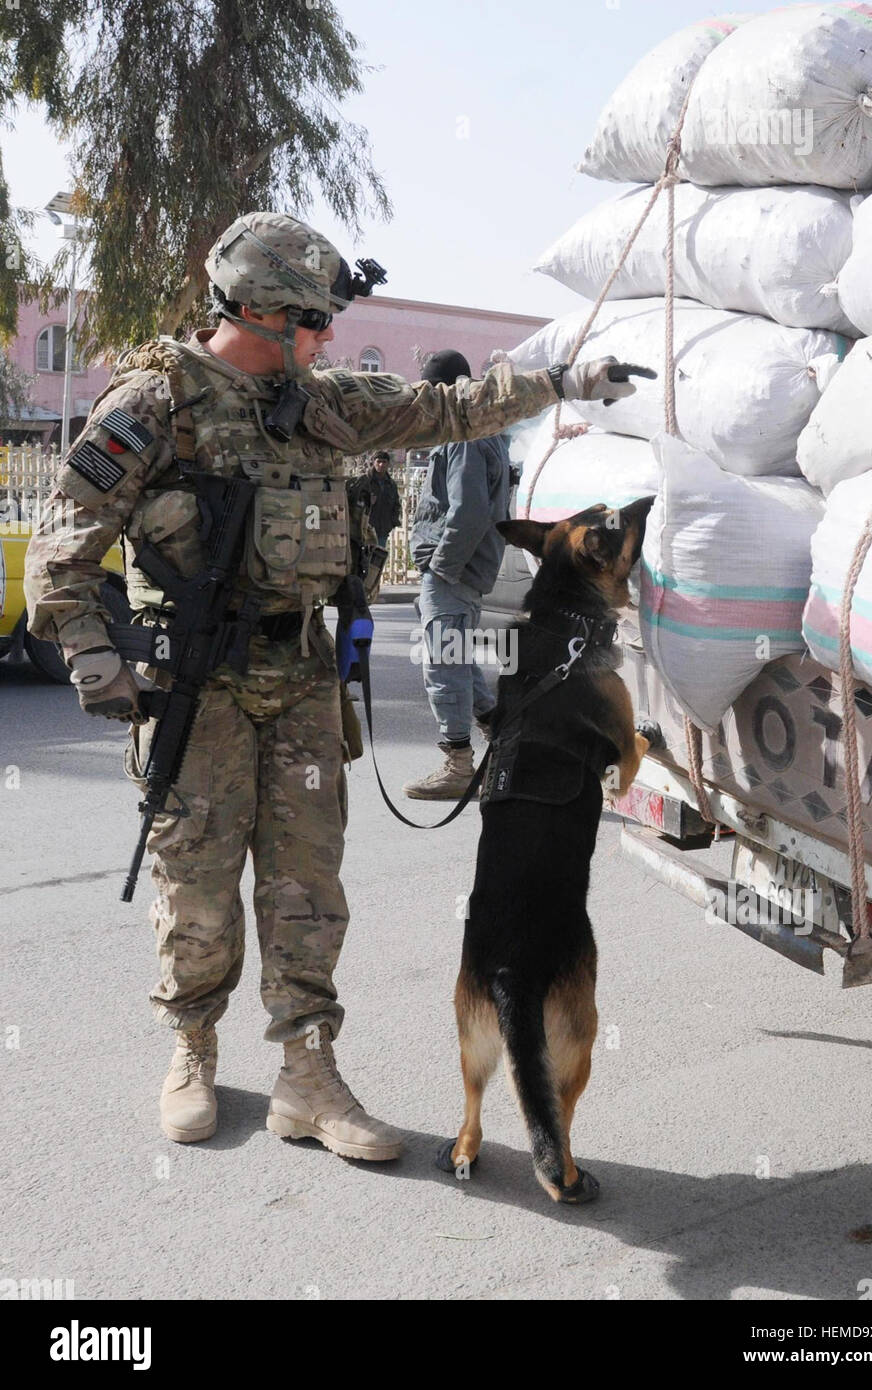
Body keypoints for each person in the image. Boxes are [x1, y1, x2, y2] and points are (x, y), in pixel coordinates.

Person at [24, 210, 642, 1159]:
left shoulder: (323, 402)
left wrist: (564, 382)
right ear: (261, 311)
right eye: (312, 320)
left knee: (308, 890)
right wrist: (88, 652)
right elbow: (62, 543)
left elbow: (448, 409)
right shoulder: (155, 407)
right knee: (197, 887)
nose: (326, 337)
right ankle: (192, 1049)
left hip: (304, 681)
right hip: (201, 686)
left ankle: (307, 1077)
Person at [403, 349, 511, 799]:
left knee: (443, 664)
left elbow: (467, 511)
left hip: (453, 571)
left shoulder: (465, 436)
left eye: (431, 391)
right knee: (459, 658)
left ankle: (458, 766)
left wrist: (443, 568)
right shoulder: (485, 431)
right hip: (463, 570)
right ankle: (505, 744)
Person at [366, 450, 402, 548]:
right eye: (378, 461)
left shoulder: (391, 484)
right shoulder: (365, 481)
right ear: (374, 462)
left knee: (378, 557)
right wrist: (368, 502)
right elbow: (354, 502)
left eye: (384, 462)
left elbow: (396, 504)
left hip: (383, 529)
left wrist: (392, 522)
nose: (381, 464)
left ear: (388, 464)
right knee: (365, 557)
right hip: (366, 528)